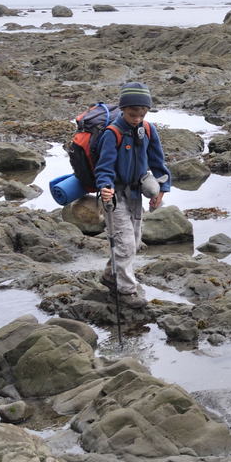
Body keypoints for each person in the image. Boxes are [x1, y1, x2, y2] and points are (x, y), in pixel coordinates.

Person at [95, 81, 172, 307]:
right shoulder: (112, 133)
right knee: (125, 242)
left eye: (142, 114)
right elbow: (104, 167)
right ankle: (126, 291)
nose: (137, 119)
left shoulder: (148, 130)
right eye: (132, 115)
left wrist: (162, 189)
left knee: (134, 240)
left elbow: (158, 162)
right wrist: (105, 187)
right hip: (114, 195)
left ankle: (110, 276)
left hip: (136, 193)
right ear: (122, 110)